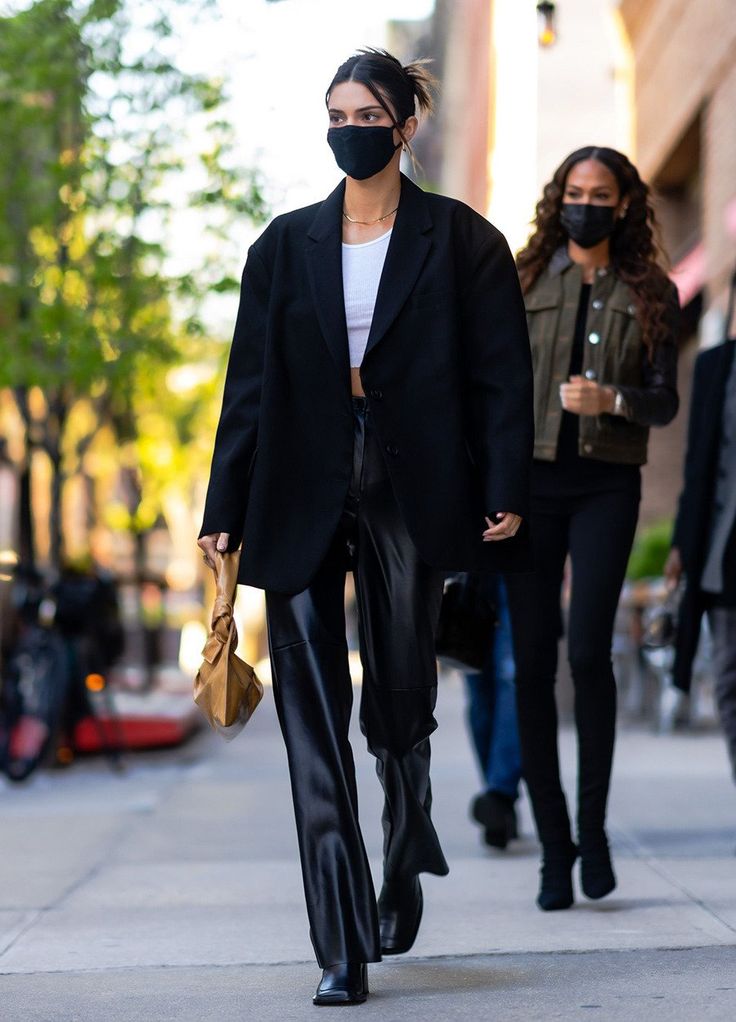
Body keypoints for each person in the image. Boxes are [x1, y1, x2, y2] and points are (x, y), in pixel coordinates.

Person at [197, 49, 533, 1006]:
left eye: (367, 110)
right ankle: (339, 943)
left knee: (396, 700)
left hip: (411, 482)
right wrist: (223, 512)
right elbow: (247, 390)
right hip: (298, 482)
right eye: (335, 110)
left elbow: (501, 379)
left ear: (405, 123)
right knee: (313, 725)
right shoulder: (283, 246)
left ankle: (407, 826)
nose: (349, 125)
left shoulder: (463, 242)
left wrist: (501, 484)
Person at [505, 146, 680, 912]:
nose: (585, 203)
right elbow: (493, 389)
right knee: (533, 663)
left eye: (599, 194)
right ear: (559, 200)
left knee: (588, 653)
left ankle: (595, 831)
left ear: (622, 204)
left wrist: (610, 401)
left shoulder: (652, 292)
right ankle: (553, 848)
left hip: (607, 484)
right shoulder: (520, 280)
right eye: (574, 192)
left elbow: (665, 401)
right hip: (530, 488)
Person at [666, 267, 736, 788]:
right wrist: (680, 545)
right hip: (723, 552)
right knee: (730, 681)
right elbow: (697, 466)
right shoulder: (715, 368)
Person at [465, 575, 522, 849]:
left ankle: (499, 793)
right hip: (466, 564)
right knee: (479, 690)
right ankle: (498, 797)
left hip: (520, 560)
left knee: (512, 677)